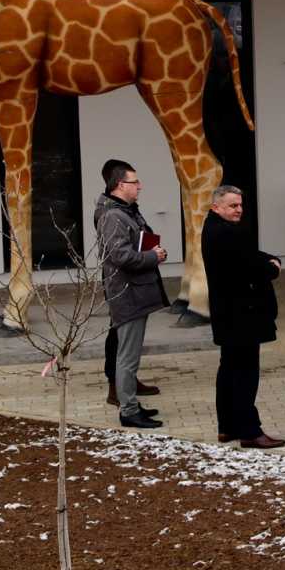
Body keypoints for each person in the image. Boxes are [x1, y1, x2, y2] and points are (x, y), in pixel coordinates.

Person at [202, 185, 284, 448]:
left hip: (230, 315)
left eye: (240, 205)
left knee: (229, 369)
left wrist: (268, 259)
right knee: (244, 374)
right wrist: (272, 268)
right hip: (241, 316)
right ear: (217, 207)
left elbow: (248, 256)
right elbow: (251, 268)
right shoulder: (224, 233)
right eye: (232, 206)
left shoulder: (217, 228)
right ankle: (249, 430)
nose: (238, 210)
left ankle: (227, 426)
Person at [97, 160, 170, 429]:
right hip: (127, 294)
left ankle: (131, 404)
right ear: (119, 185)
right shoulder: (113, 216)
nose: (140, 186)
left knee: (131, 354)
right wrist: (152, 256)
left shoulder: (125, 211)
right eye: (134, 182)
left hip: (136, 292)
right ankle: (128, 410)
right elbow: (119, 255)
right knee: (127, 356)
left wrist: (154, 252)